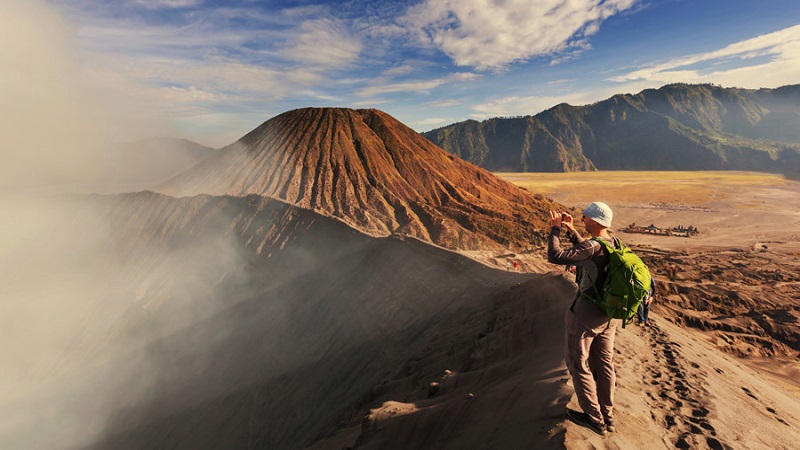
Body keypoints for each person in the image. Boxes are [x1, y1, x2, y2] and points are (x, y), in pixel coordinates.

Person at [547, 202, 618, 436]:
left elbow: (555, 256)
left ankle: (593, 417)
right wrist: (571, 229)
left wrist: (555, 229)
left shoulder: (592, 245)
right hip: (608, 315)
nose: (583, 219)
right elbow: (591, 255)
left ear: (595, 221)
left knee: (577, 363)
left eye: (585, 217)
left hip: (586, 315)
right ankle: (608, 415)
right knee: (604, 364)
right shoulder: (614, 243)